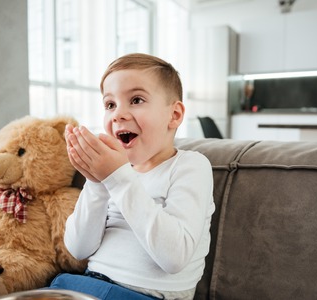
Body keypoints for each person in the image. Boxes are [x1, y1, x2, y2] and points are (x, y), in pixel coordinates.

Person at [50, 53, 215, 300]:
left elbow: (174, 257)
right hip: (86, 284)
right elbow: (78, 248)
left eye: (136, 100)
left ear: (175, 115)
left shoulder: (190, 166)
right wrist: (96, 183)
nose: (118, 114)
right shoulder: (110, 173)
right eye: (110, 105)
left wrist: (117, 177)